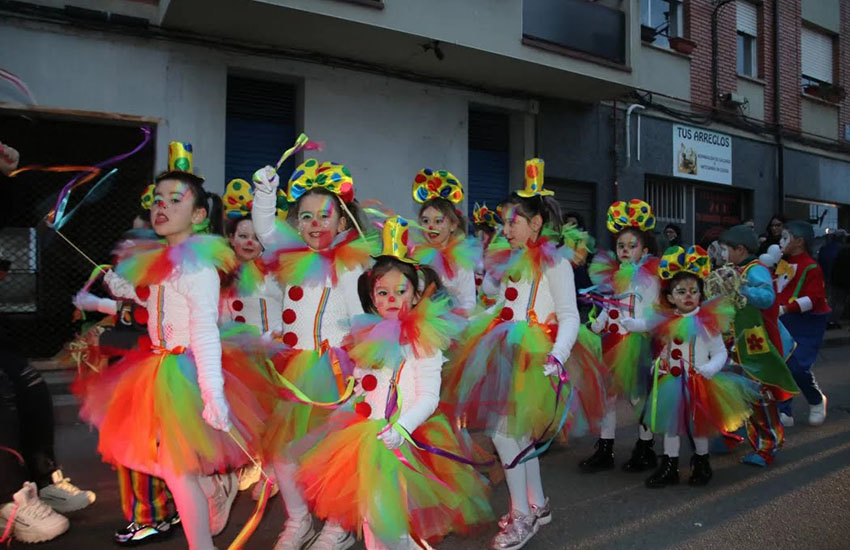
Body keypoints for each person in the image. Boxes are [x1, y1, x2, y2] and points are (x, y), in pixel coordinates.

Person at [73, 142, 274, 550]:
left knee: (175, 468)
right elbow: (159, 304)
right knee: (143, 458)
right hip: (156, 366)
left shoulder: (198, 265)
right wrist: (114, 294)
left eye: (174, 200)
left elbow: (202, 330)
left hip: (185, 368)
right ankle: (211, 487)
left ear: (199, 216)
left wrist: (213, 393)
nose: (161, 207)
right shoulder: (163, 259)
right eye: (158, 199)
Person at [294, 216, 492, 549]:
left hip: (403, 441)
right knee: (373, 521)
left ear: (416, 296)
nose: (391, 298)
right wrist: (353, 394)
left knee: (396, 526)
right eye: (382, 292)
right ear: (371, 298)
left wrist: (402, 428)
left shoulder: (423, 340)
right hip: (365, 437)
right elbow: (365, 382)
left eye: (401, 291)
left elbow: (428, 396)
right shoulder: (368, 334)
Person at [444, 159, 598, 550]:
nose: (505, 229)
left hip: (536, 355)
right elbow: (504, 307)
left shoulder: (557, 263)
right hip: (505, 349)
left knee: (505, 433)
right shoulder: (514, 261)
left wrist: (558, 355)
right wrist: (466, 324)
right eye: (504, 222)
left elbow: (569, 315)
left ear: (536, 224)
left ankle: (523, 514)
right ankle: (537, 503)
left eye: (512, 221)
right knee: (517, 435)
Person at [252, 157, 372, 550]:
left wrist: (364, 373)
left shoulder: (349, 265)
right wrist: (266, 192)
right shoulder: (290, 256)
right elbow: (265, 228)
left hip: (334, 371)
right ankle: (298, 519)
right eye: (305, 216)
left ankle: (339, 526)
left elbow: (359, 321)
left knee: (331, 453)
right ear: (295, 222)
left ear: (342, 222)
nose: (315, 223)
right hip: (293, 368)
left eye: (325, 215)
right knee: (285, 453)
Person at [643, 246, 756, 488]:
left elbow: (720, 352)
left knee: (698, 429)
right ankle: (670, 466)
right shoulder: (668, 320)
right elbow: (665, 348)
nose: (688, 296)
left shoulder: (706, 322)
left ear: (700, 294)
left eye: (693, 291)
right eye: (681, 291)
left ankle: (701, 463)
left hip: (699, 383)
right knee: (670, 429)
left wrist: (711, 368)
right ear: (671, 297)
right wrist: (658, 364)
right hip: (671, 383)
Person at [579, 199, 660, 474]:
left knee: (637, 399)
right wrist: (600, 323)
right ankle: (605, 447)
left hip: (634, 344)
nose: (625, 250)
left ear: (645, 250)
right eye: (621, 246)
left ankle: (646, 447)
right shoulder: (614, 276)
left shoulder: (648, 279)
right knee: (608, 398)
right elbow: (609, 304)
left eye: (632, 246)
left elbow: (655, 315)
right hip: (611, 344)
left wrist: (638, 324)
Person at [717, 225, 798, 467]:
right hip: (735, 342)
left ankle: (767, 445)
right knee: (725, 389)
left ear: (740, 249)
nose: (722, 254)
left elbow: (767, 298)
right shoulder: (736, 269)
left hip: (754, 346)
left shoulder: (755, 271)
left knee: (758, 394)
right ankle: (731, 434)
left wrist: (741, 289)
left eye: (724, 250)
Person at [774, 220, 829, 426]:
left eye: (785, 237)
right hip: (782, 318)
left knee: (798, 366)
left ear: (799, 241)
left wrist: (787, 308)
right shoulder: (782, 263)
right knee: (780, 364)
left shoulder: (811, 267)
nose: (781, 242)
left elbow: (813, 298)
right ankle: (784, 410)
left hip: (806, 323)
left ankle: (816, 400)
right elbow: (777, 287)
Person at [411, 169, 479, 312]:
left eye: (438, 221)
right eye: (425, 221)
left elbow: (469, 301)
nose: (431, 227)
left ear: (453, 225)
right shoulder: (414, 256)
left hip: (452, 330)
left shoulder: (461, 260)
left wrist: (454, 318)